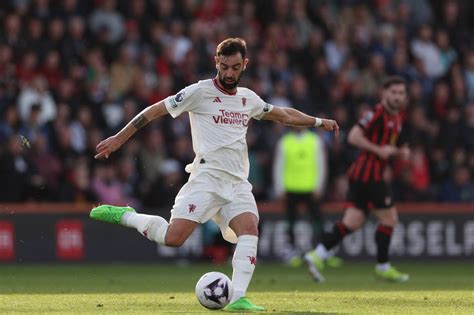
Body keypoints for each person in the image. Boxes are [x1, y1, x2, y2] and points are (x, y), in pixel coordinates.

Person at [90, 38, 339, 312]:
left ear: (245, 64)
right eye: (224, 67)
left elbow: (283, 114)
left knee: (249, 229)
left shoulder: (248, 99)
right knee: (174, 239)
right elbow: (155, 110)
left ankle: (238, 298)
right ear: (216, 63)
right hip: (207, 178)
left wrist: (318, 121)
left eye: (234, 67)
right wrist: (118, 138)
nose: (229, 73)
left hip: (237, 182)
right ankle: (127, 215)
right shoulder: (199, 92)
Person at [304, 76, 410, 283]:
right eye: (393, 92)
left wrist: (398, 152)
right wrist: (379, 150)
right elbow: (353, 135)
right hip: (368, 175)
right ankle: (383, 266)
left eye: (401, 93)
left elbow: (386, 147)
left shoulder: (396, 117)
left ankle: (317, 254)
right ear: (384, 94)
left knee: (352, 222)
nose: (397, 97)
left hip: (364, 176)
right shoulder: (377, 112)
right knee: (389, 219)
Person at [273, 126, 330, 266]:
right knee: (291, 221)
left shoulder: (314, 140)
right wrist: (279, 187)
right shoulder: (285, 141)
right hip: (291, 188)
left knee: (317, 220)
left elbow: (321, 164)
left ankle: (321, 251)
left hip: (310, 187)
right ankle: (291, 252)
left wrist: (319, 186)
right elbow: (278, 165)